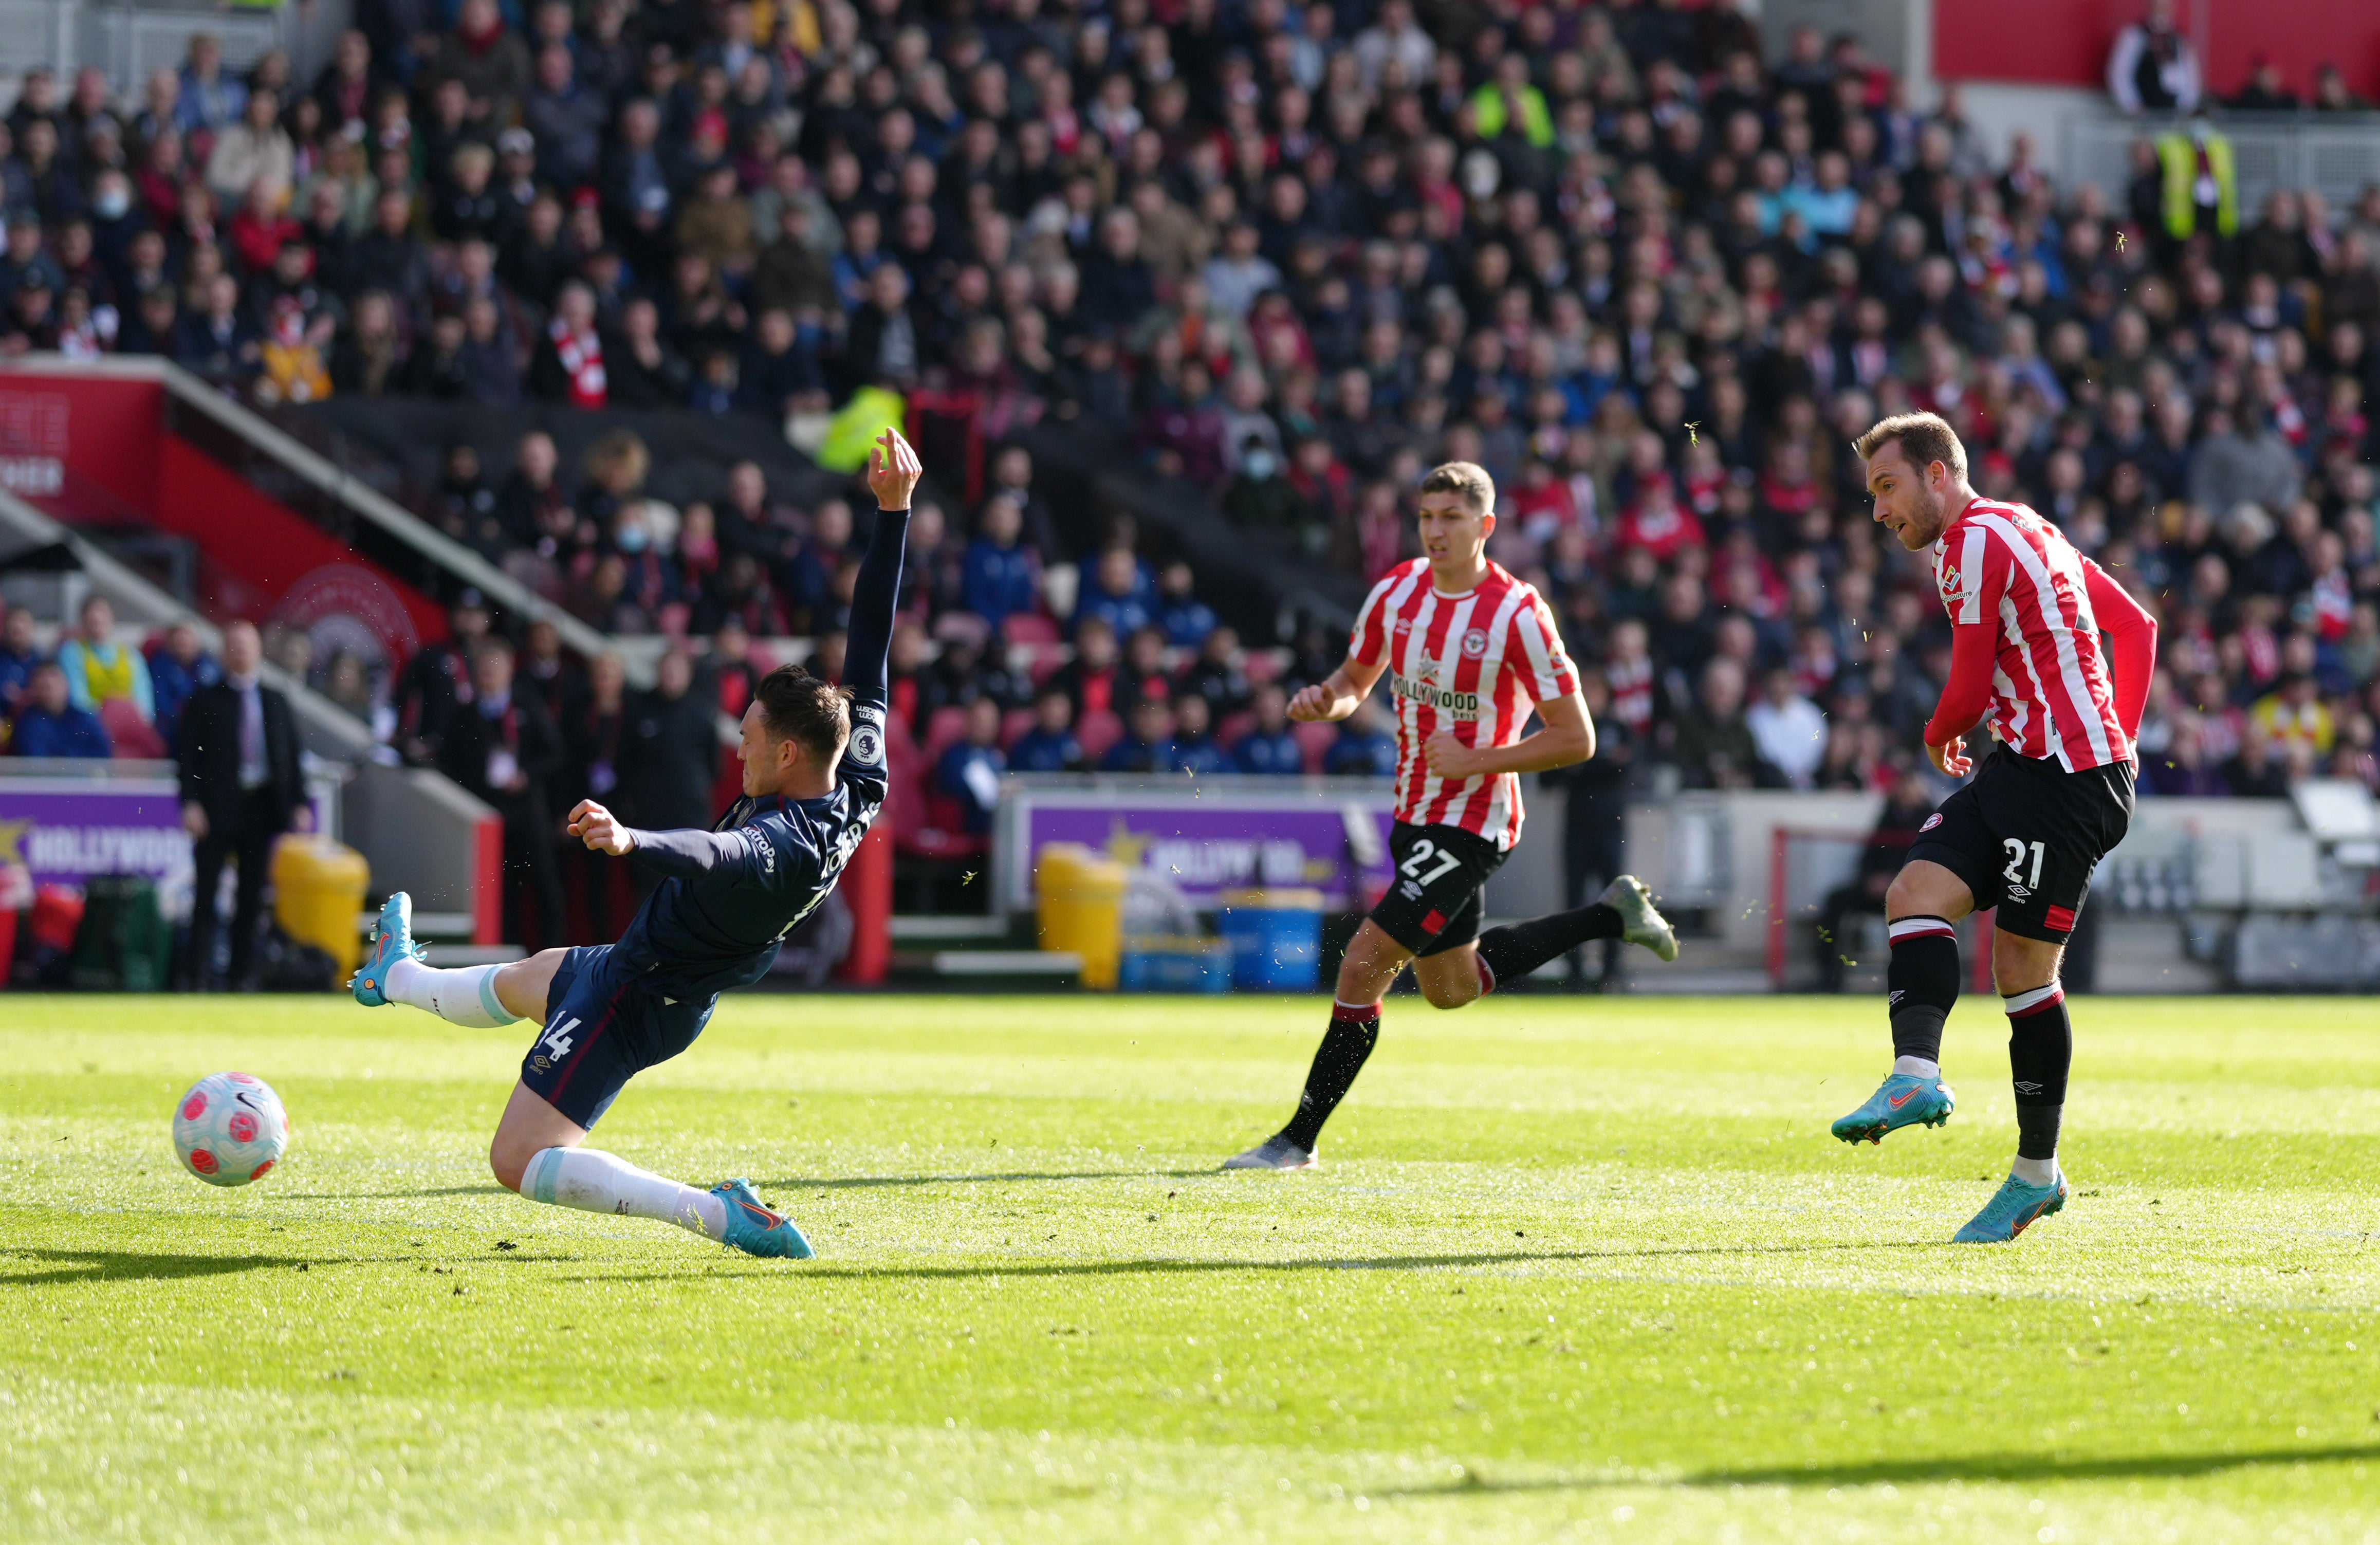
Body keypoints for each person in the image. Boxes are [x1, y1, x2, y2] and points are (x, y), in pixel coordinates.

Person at [348, 429, 920, 1261]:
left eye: (752, 736)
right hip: (650, 975)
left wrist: (630, 837)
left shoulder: (782, 844)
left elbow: (713, 853)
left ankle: (714, 1215)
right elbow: (871, 641)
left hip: (638, 995)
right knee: (524, 977)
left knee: (517, 1160)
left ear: (790, 754)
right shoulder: (855, 776)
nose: (739, 744)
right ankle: (393, 975)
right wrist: (894, 513)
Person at [1224, 462, 1678, 1172]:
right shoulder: (1395, 592)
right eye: (1427, 517)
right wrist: (1328, 701)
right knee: (1450, 988)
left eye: (1451, 518)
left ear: (1484, 526)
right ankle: (1609, 913)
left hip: (1475, 820)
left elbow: (1576, 737)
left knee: (1363, 963)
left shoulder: (1518, 613)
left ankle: (1294, 1141)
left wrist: (1476, 760)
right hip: (1411, 812)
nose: (1435, 531)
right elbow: (1355, 679)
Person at [1834, 412, 2156, 1244]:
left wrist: (1936, 731)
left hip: (2063, 783)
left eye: (1888, 486)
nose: (1879, 509)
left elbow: (1970, 686)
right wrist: (2114, 734)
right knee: (1915, 892)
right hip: (2031, 766)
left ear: (1938, 474)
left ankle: (2034, 1176)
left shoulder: (1970, 546)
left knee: (2020, 970)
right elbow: (2137, 627)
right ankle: (1915, 1075)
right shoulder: (2027, 525)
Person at [176, 621, 307, 988]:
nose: (241, 652)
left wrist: (298, 801)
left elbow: (291, 755)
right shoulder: (205, 699)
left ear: (259, 650)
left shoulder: (274, 699)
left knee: (251, 899)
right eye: (233, 645)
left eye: (247, 645)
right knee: (206, 895)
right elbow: (188, 758)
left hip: (260, 809)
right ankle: (198, 975)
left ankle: (242, 977)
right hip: (216, 809)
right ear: (223, 653)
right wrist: (190, 803)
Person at [438, 640, 566, 951]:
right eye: (483, 670)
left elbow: (555, 754)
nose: (489, 676)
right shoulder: (464, 716)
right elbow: (450, 763)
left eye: (496, 669)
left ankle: (556, 953)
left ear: (510, 672)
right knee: (499, 887)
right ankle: (505, 955)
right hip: (487, 811)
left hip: (528, 809)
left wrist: (526, 775)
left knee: (545, 883)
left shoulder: (528, 707)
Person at [1813, 762, 1937, 992]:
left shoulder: (1933, 819)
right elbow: (1870, 853)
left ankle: (1911, 983)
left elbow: (1928, 863)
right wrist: (1870, 880)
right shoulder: (1888, 814)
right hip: (1878, 892)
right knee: (1835, 901)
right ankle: (1829, 976)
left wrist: (1895, 883)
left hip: (1913, 895)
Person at [9, 661, 111, 757]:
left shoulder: (86, 719)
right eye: (44, 685)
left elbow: (104, 755)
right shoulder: (28, 725)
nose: (50, 685)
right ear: (33, 688)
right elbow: (37, 765)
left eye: (55, 678)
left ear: (67, 683)